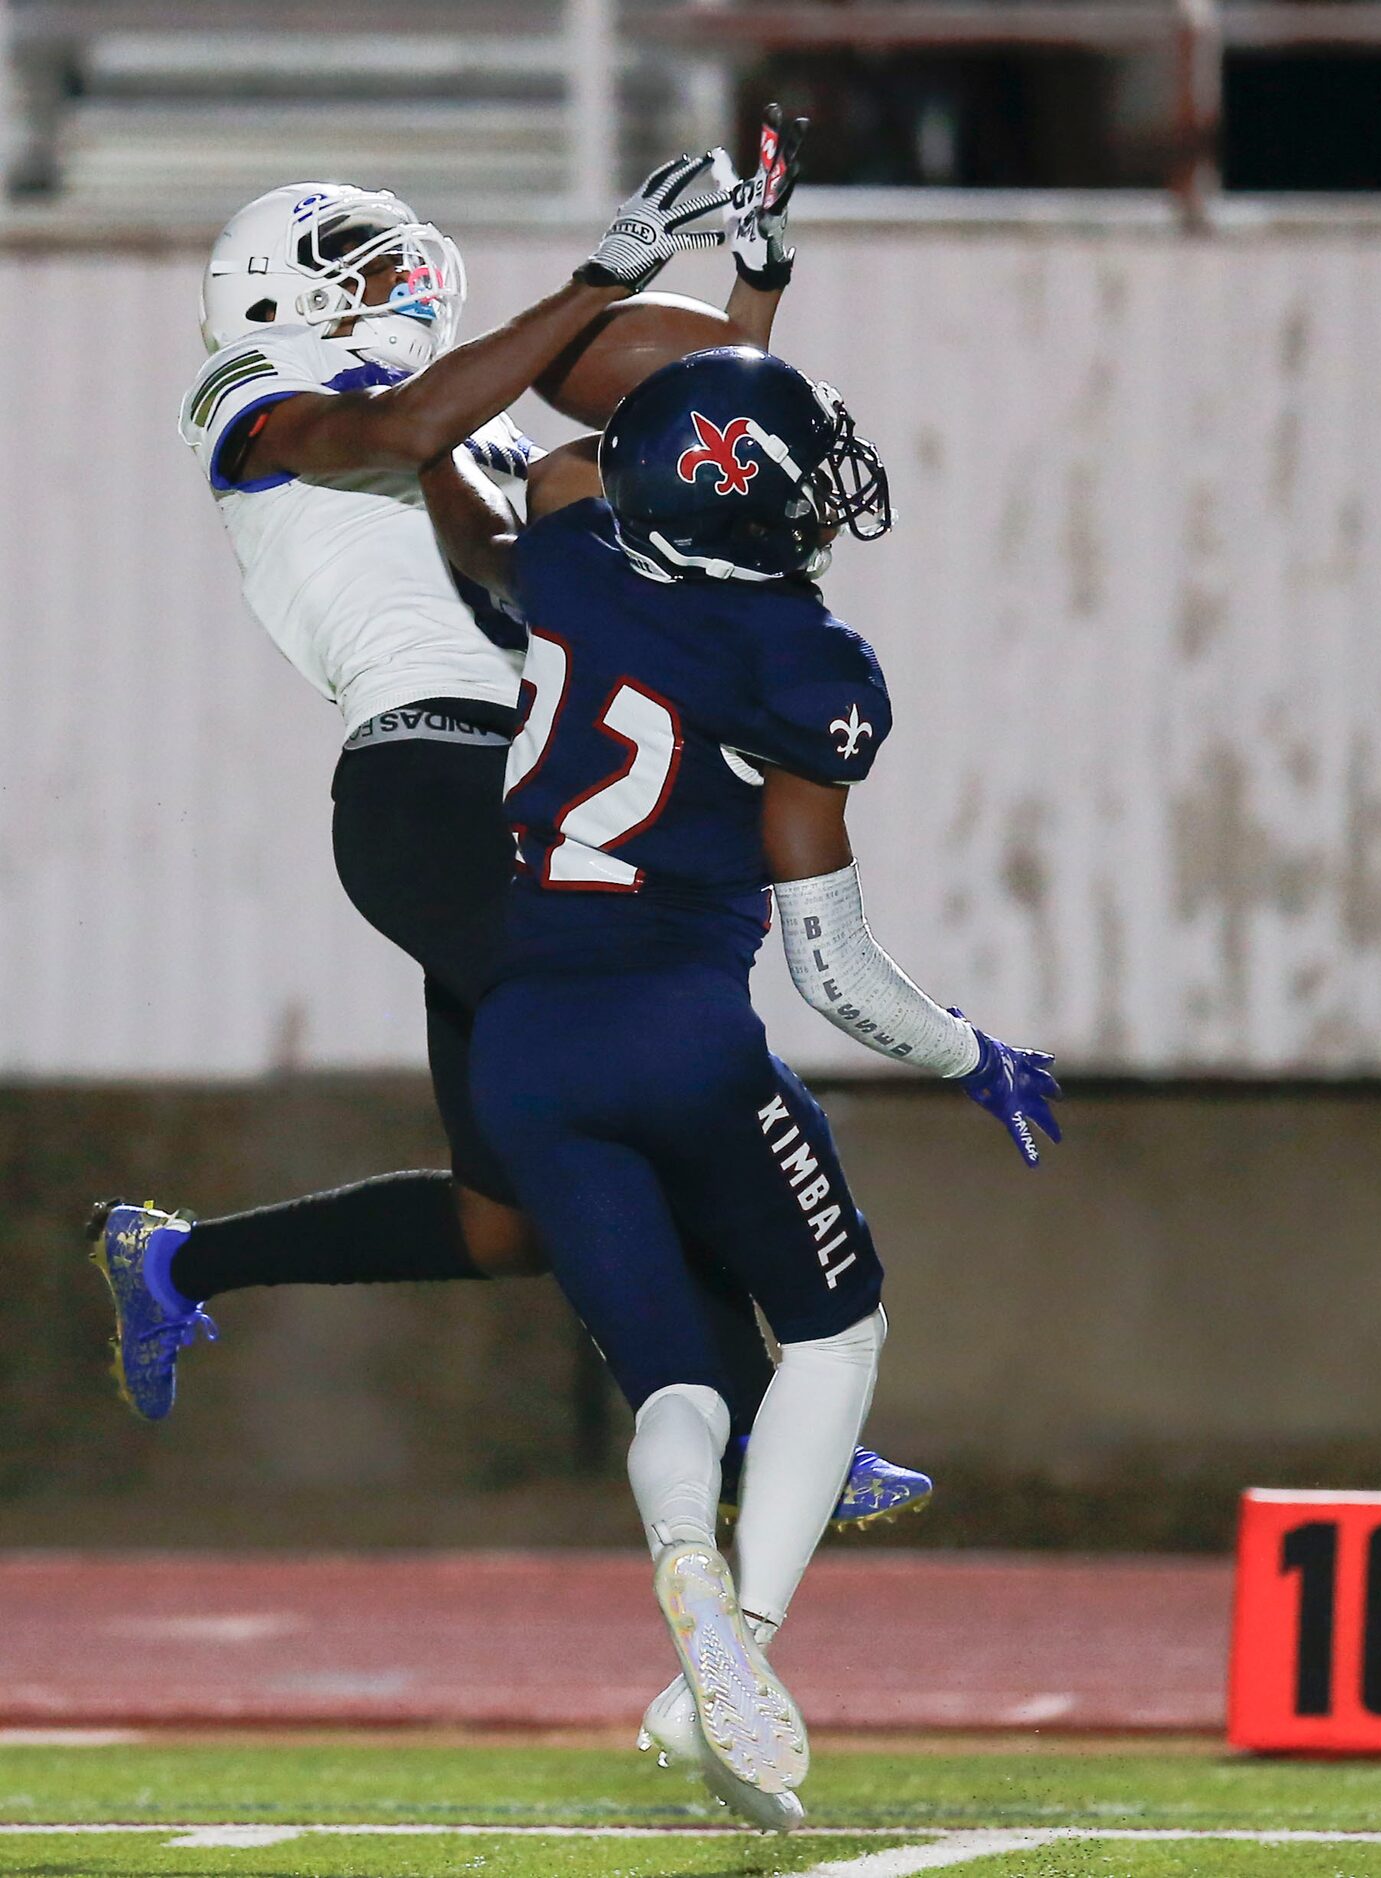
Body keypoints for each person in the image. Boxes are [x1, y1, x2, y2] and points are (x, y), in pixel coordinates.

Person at [88, 120, 930, 1528]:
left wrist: (756, 279)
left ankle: (177, 1264)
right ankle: (771, 1438)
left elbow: (688, 451)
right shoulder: (257, 393)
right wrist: (604, 274)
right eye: (347, 262)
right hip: (430, 781)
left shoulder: (472, 417)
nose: (390, 276)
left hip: (520, 786)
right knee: (649, 1090)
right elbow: (395, 434)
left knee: (508, 1219)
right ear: (266, 294)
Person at [417, 345, 1061, 1826]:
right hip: (678, 1031)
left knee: (680, 1380)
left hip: (523, 1043)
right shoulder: (806, 667)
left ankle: (682, 1590)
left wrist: (437, 398)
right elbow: (831, 970)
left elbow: (492, 483)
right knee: (836, 1332)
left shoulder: (567, 557)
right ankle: (743, 1640)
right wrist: (974, 1054)